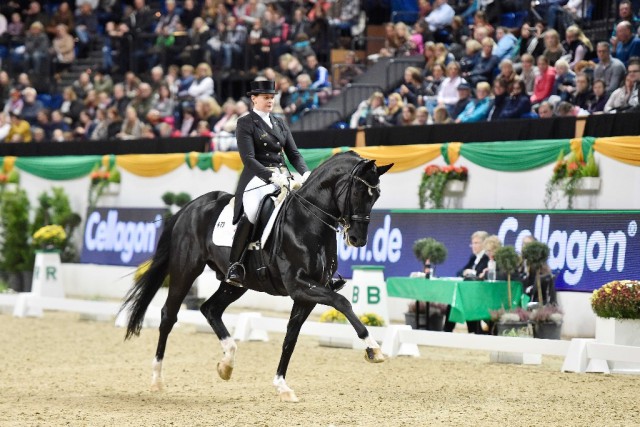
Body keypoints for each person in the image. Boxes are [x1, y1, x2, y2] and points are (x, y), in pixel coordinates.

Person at [227, 80, 310, 286]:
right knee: (253, 210)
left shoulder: (280, 122)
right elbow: (248, 158)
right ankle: (235, 264)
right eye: (266, 97)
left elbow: (294, 153)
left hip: (284, 176)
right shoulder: (246, 123)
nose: (270, 100)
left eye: (272, 97)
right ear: (254, 99)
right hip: (258, 177)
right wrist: (271, 176)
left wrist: (306, 173)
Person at [443, 231, 489, 334]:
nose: (473, 246)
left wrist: (473, 272)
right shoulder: (473, 258)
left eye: (476, 243)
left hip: (481, 293)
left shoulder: (487, 258)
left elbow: (483, 275)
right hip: (469, 292)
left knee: (468, 300)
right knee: (454, 299)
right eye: (472, 243)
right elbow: (459, 272)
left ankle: (473, 331)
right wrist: (466, 272)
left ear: (484, 244)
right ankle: (447, 330)